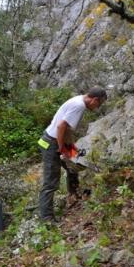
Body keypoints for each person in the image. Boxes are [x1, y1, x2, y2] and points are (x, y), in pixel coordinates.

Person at [38, 87, 107, 222]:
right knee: (51, 182)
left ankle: (73, 195)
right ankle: (46, 219)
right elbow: (61, 126)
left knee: (74, 166)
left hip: (53, 139)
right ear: (95, 99)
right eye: (99, 104)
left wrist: (71, 147)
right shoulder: (79, 106)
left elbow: (66, 129)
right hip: (52, 143)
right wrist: (61, 148)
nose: (97, 107)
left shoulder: (78, 100)